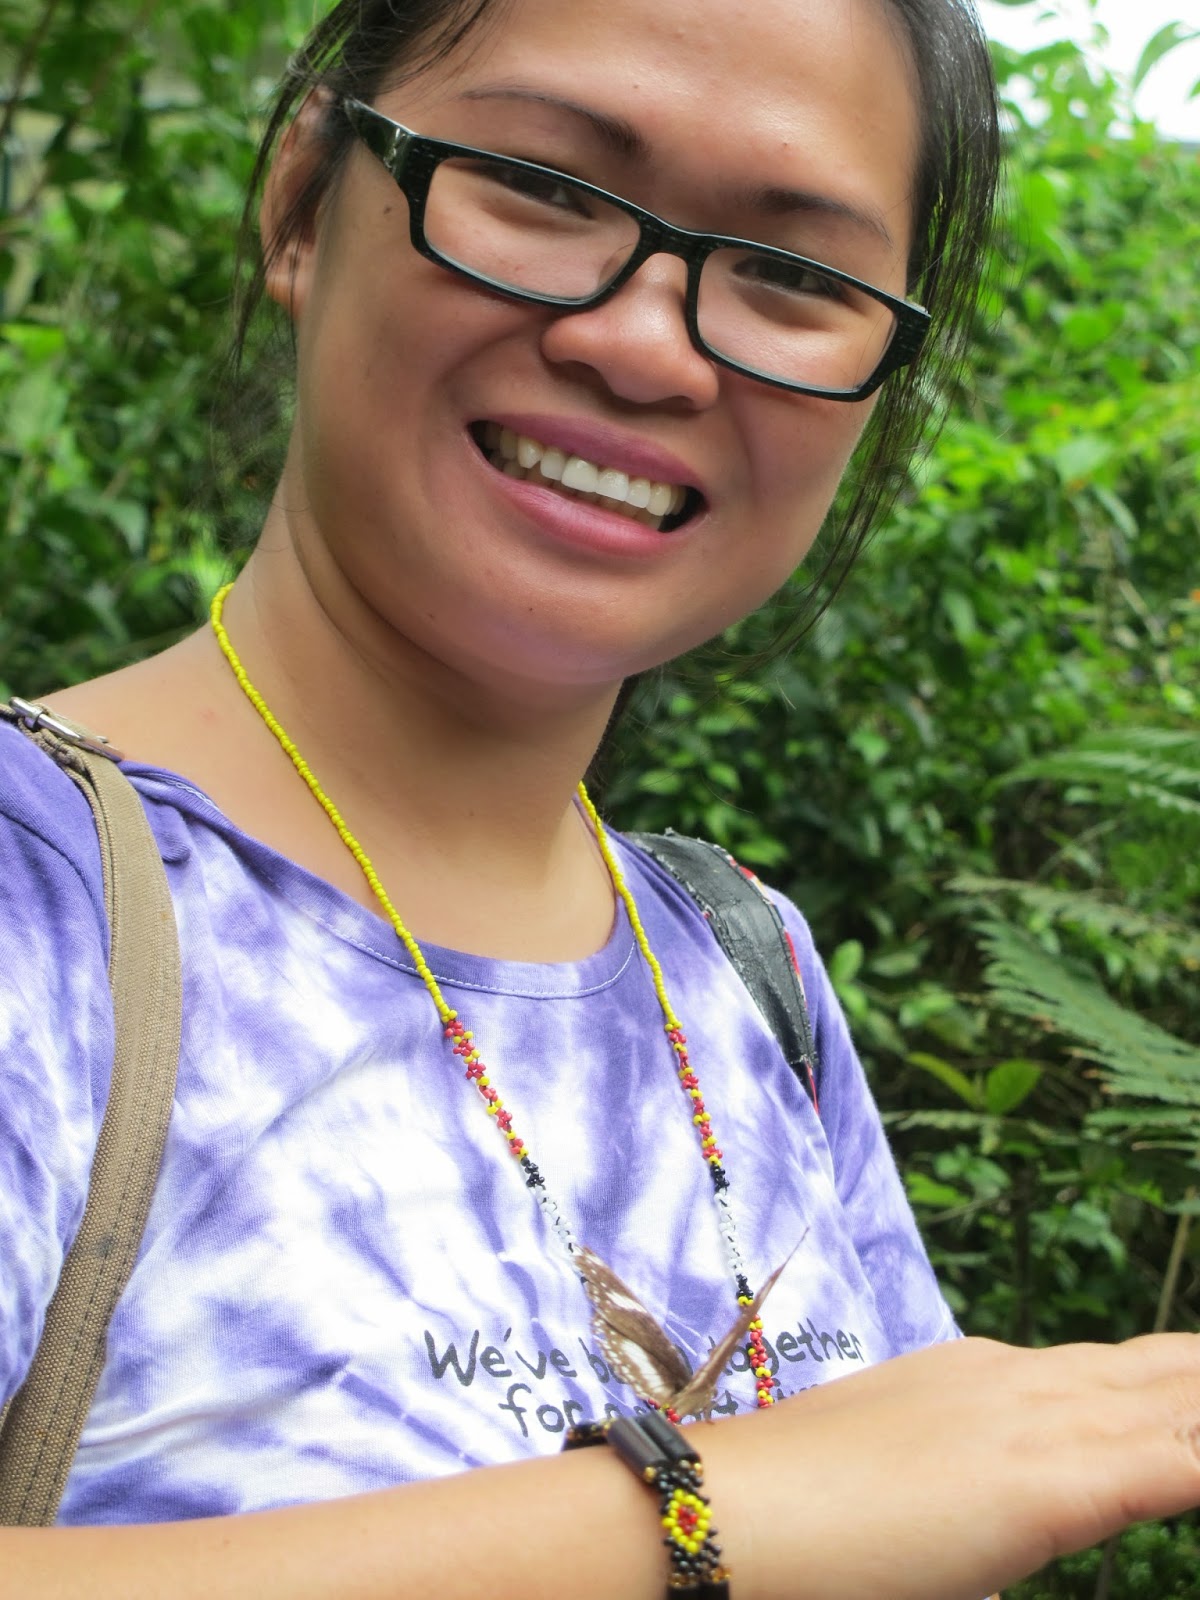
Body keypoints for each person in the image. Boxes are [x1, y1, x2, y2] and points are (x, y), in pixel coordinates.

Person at [1, 0, 1197, 1593]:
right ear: (300, 207)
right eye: (542, 186)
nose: (642, 345)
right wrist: (701, 1515)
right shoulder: (37, 899)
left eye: (797, 274)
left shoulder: (741, 965)